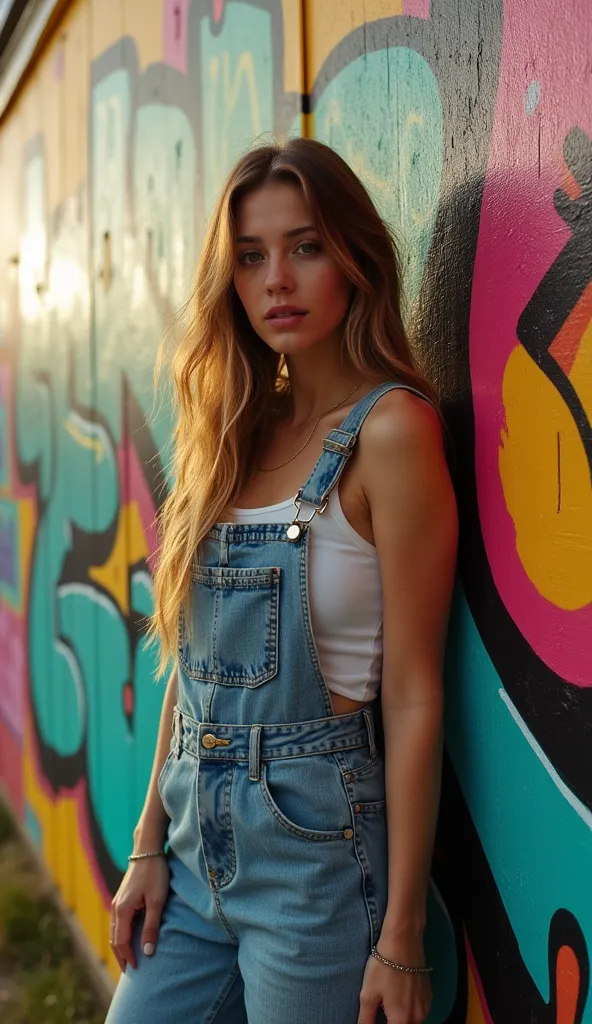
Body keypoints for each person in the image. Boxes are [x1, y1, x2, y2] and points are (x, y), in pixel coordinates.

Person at [106, 137, 458, 1024]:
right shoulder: (230, 436)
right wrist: (149, 843)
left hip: (317, 861)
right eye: (251, 257)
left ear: (352, 255)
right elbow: (189, 680)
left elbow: (414, 695)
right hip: (191, 853)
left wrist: (402, 933)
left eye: (304, 247)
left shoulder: (391, 433)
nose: (276, 282)